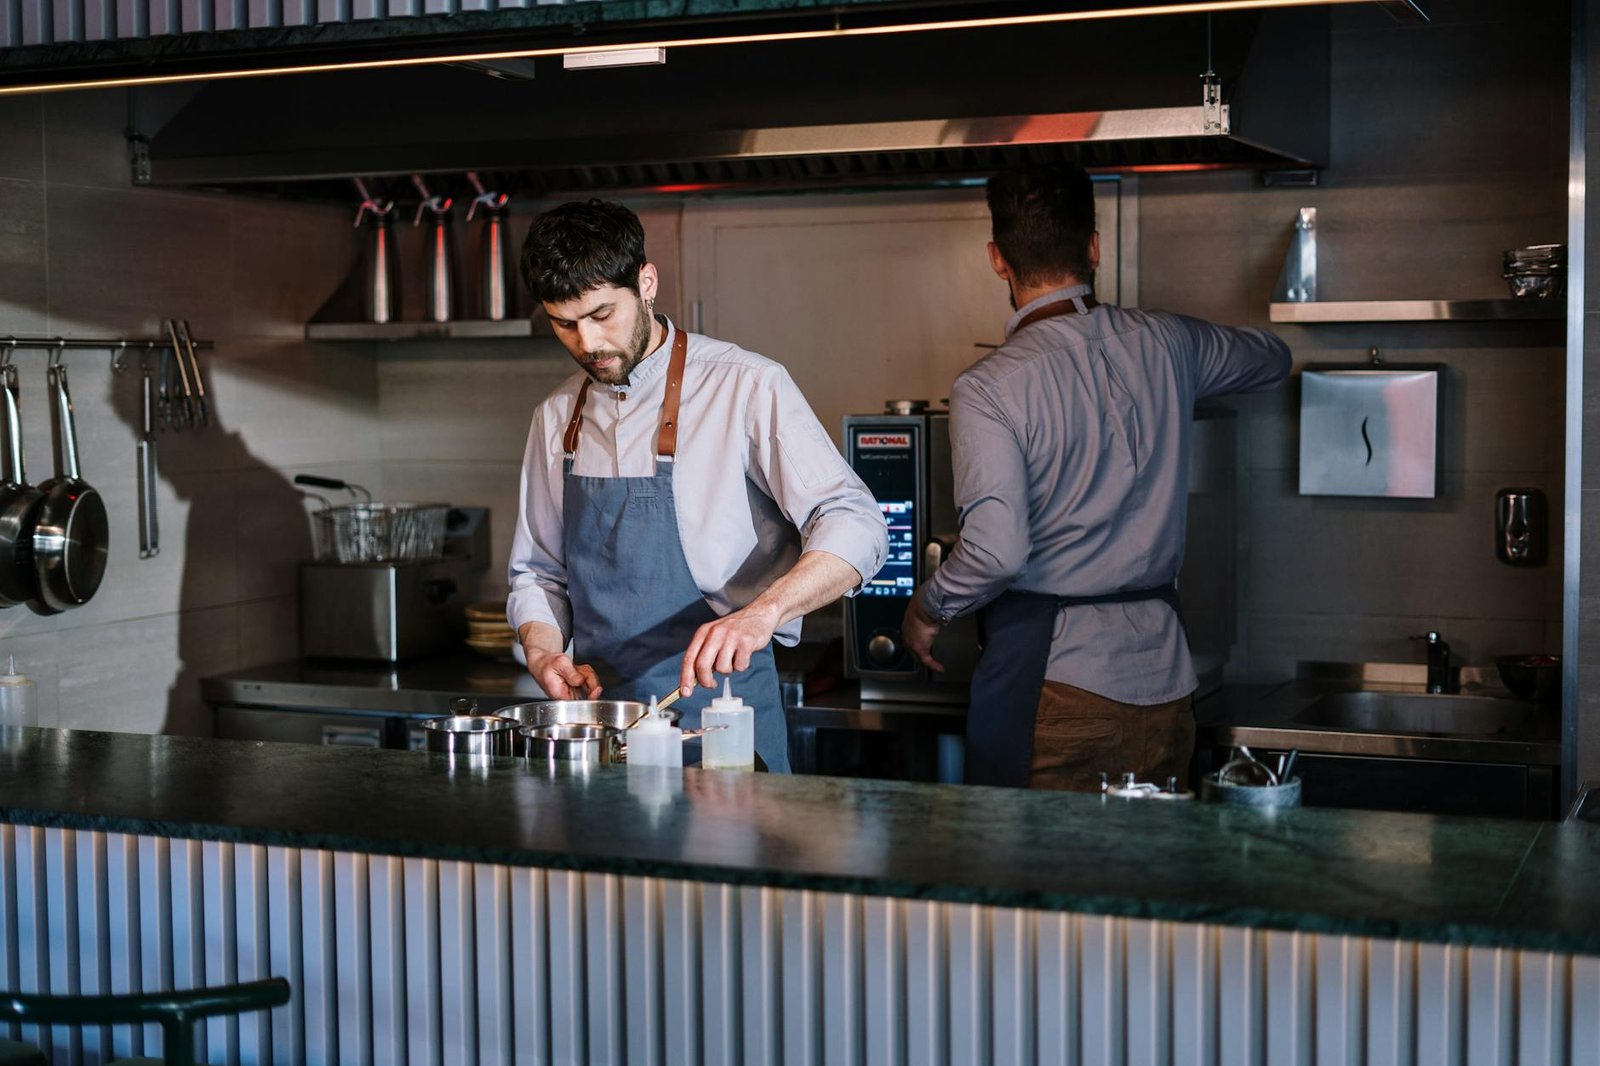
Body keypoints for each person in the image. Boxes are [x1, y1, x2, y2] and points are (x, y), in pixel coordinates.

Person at [902, 163, 1291, 791]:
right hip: (1168, 688)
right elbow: (1272, 361)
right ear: (1093, 248)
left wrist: (927, 607)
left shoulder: (988, 388)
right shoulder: (1169, 342)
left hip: (1056, 691)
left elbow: (997, 553)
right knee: (1144, 885)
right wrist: (1183, 369)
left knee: (1033, 885)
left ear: (998, 260)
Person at [508, 199, 888, 772]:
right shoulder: (556, 415)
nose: (588, 344)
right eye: (566, 324)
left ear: (647, 282)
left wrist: (762, 612)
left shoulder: (746, 386)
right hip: (604, 725)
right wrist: (542, 649)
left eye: (603, 314)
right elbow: (538, 572)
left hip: (723, 713)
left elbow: (856, 521)